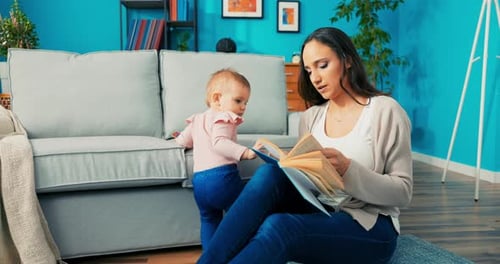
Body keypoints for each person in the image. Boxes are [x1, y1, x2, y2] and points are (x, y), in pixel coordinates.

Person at [197, 27, 413, 264]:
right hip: (322, 209)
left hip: (370, 224)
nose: (316, 78)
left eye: (323, 65)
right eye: (309, 71)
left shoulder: (384, 110)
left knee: (280, 227)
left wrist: (348, 169)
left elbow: (403, 192)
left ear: (347, 60)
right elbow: (309, 185)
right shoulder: (311, 117)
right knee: (271, 172)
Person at [175, 68, 258, 249]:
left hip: (200, 183)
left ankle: (209, 257)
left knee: (209, 219)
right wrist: (245, 152)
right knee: (240, 213)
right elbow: (219, 143)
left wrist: (176, 138)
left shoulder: (197, 120)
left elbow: (183, 141)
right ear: (217, 99)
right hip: (222, 179)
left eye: (246, 102)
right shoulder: (224, 117)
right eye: (238, 100)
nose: (243, 107)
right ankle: (242, 250)